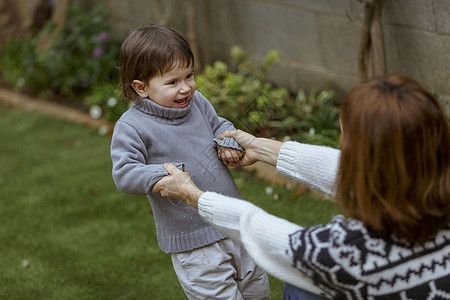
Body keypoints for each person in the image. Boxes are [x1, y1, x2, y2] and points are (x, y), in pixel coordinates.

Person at [152, 75, 450, 299]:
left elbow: (265, 234)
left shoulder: (349, 252)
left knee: (300, 286)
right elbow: (346, 169)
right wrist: (263, 149)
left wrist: (194, 196)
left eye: (345, 142)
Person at [110, 24, 270, 299]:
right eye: (172, 82)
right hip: (195, 245)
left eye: (189, 76)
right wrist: (164, 175)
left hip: (233, 221)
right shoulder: (132, 127)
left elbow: (219, 125)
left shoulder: (197, 103)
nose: (186, 88)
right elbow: (125, 173)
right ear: (141, 88)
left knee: (257, 291)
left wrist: (227, 141)